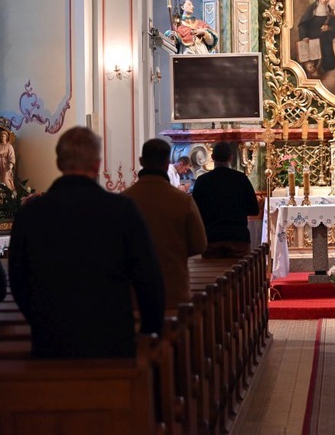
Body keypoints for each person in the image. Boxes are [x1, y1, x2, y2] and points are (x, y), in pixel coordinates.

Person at [8, 127, 165, 358]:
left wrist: (41, 322)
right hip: (113, 343)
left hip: (51, 345)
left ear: (60, 163)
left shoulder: (29, 215)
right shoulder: (122, 210)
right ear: (96, 164)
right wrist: (149, 332)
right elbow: (148, 279)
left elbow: (18, 281)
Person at [123, 139, 207, 310]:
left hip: (135, 295)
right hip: (173, 290)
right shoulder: (182, 200)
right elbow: (199, 244)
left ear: (141, 162)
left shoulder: (124, 201)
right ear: (167, 162)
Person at [192, 142, 259, 259]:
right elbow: (254, 209)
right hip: (237, 238)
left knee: (212, 275)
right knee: (240, 274)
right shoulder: (241, 179)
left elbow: (195, 210)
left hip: (211, 238)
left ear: (212, 157)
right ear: (231, 157)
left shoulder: (202, 181)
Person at [298, 0, 335, 74]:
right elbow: (303, 24)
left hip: (325, 41)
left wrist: (328, 28)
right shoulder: (311, 9)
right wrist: (304, 37)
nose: (325, 0)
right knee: (312, 64)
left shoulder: (329, 10)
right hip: (312, 40)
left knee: (329, 64)